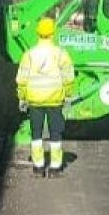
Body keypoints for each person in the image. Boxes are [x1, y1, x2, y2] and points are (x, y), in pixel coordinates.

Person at [16, 17, 75, 177]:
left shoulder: (29, 54)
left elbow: (22, 78)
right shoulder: (61, 54)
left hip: (34, 99)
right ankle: (55, 168)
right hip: (55, 99)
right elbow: (68, 76)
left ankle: (38, 167)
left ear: (38, 33)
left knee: (36, 133)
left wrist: (22, 97)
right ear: (52, 33)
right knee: (55, 133)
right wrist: (68, 95)